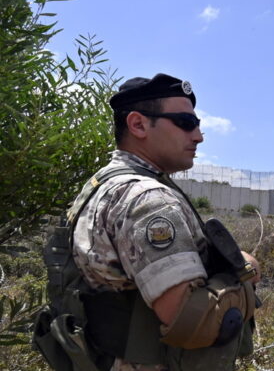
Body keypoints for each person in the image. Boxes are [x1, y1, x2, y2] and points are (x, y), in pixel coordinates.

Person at [64, 73, 260, 370]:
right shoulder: (149, 199)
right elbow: (196, 322)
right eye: (185, 123)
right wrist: (245, 271)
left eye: (198, 125)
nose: (198, 136)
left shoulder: (102, 184)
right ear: (138, 124)